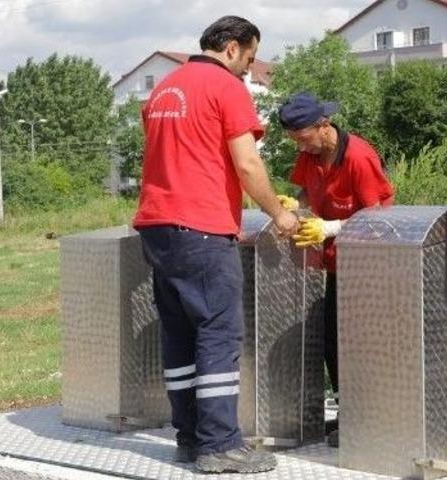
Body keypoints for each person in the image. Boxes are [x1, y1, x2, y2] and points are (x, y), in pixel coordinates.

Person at [132, 15, 299, 474]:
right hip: (201, 228)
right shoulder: (225, 87)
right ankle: (220, 446)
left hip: (157, 226)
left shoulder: (165, 88)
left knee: (180, 335)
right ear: (231, 48)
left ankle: (189, 438)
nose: (248, 68)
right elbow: (246, 164)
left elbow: (181, 157)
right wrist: (278, 213)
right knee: (218, 335)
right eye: (248, 57)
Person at [276, 92, 394, 448]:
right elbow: (308, 192)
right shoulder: (310, 155)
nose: (299, 146)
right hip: (335, 265)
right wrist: (297, 203)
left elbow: (377, 215)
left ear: (323, 125)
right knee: (332, 341)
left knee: (359, 343)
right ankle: (349, 414)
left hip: (367, 265)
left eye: (302, 138)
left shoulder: (358, 156)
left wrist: (331, 228)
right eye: (293, 140)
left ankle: (368, 419)